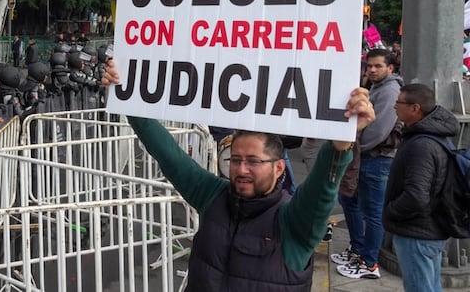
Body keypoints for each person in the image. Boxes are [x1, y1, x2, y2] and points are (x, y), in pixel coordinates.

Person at [101, 61, 376, 291]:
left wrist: (340, 145)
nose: (241, 169)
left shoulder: (295, 222)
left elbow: (321, 190)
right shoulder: (214, 195)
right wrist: (126, 97)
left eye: (253, 162)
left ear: (279, 168)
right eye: (236, 160)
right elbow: (168, 155)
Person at [383, 83, 460, 292]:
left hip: (417, 234)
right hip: (428, 231)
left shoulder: (422, 145)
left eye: (398, 102)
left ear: (415, 108)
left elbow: (416, 196)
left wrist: (391, 211)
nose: (394, 106)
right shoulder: (432, 136)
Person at [335, 48, 402, 279]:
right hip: (366, 158)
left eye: (378, 66)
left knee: (372, 212)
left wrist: (355, 148)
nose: (372, 70)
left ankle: (369, 262)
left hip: (376, 160)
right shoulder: (377, 87)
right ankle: (358, 250)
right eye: (369, 66)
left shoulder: (390, 90)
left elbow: (378, 131)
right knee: (349, 200)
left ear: (390, 68)